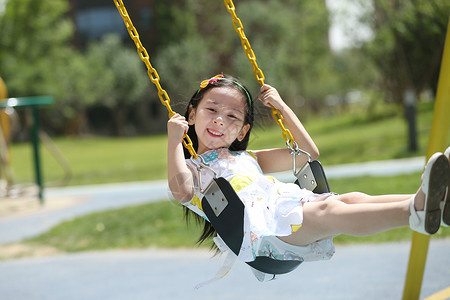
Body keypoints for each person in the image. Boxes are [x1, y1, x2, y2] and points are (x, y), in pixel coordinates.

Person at [167, 74, 450, 281]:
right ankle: (414, 211)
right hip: (262, 236)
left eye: (232, 117)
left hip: (286, 210)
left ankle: (433, 200)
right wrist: (175, 143)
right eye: (212, 110)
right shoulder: (192, 170)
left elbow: (307, 154)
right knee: (330, 209)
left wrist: (283, 108)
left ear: (242, 131)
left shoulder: (249, 158)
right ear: (191, 115)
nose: (219, 120)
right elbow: (181, 191)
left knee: (351, 199)